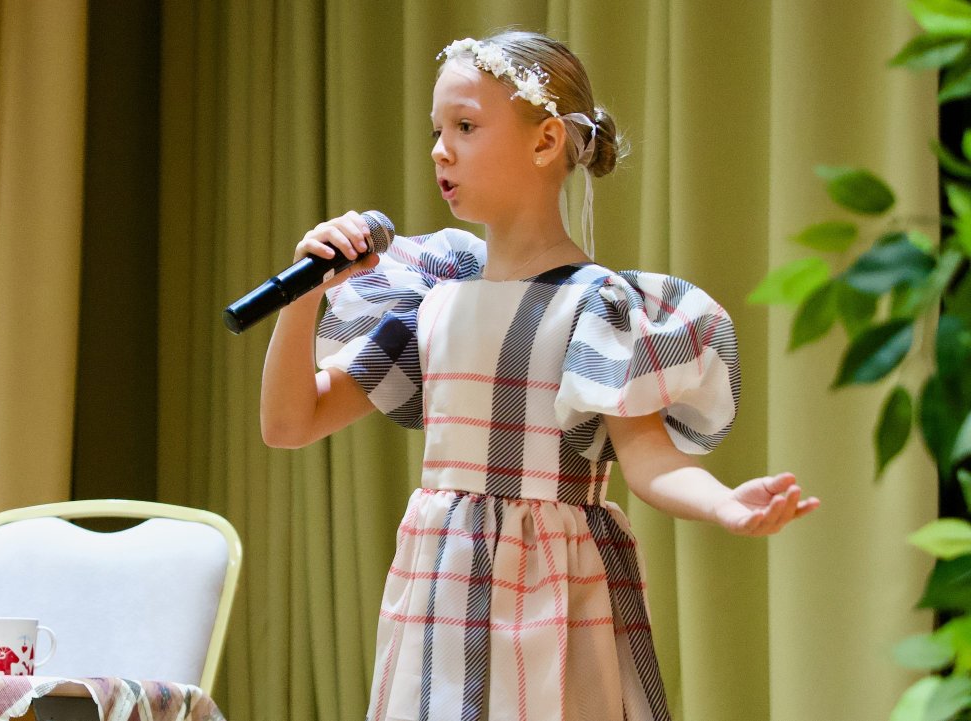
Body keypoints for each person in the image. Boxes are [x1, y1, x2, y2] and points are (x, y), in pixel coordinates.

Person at [259, 30, 819, 721]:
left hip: (554, 590)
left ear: (546, 141)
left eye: (465, 126)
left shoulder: (597, 306)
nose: (440, 149)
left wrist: (726, 504)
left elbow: (649, 459)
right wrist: (305, 296)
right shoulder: (435, 298)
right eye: (437, 130)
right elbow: (289, 422)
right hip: (441, 586)